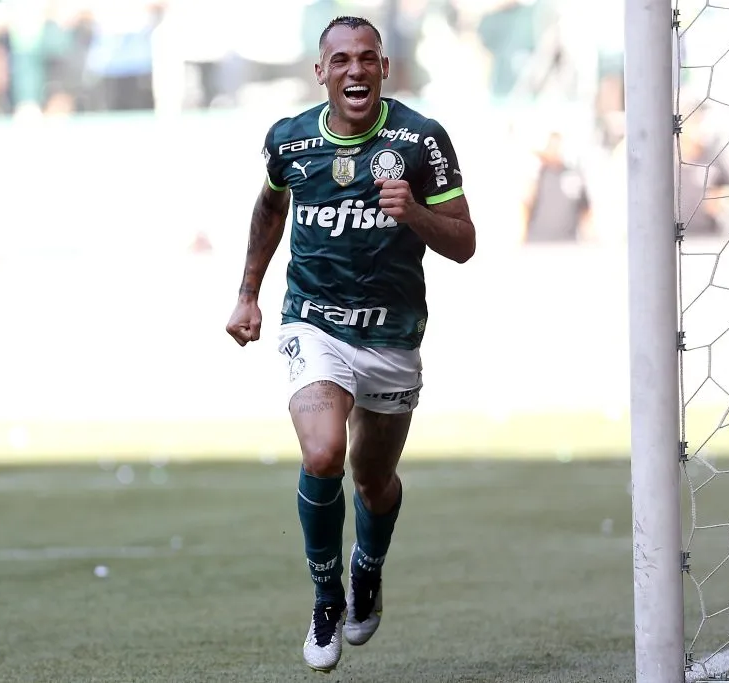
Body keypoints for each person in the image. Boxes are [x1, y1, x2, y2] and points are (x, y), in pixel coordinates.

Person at [224, 15, 476, 673]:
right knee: (323, 452)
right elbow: (271, 208)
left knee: (373, 481)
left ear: (384, 69)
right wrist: (248, 293)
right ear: (321, 72)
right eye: (341, 60)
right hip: (313, 323)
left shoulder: (421, 139)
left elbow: (464, 242)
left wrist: (413, 212)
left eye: (367, 58)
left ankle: (368, 569)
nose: (355, 70)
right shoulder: (290, 140)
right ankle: (326, 597)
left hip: (392, 335)